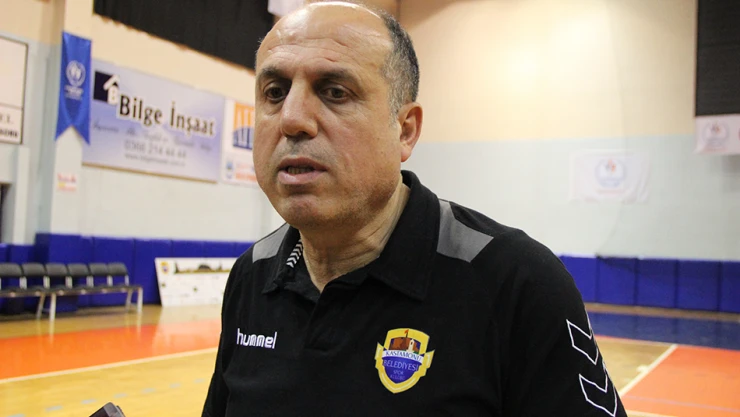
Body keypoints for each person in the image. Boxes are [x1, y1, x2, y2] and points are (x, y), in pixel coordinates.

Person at [203, 1, 627, 416]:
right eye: (274, 93)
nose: (292, 119)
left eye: (334, 92)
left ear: (405, 131)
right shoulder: (252, 274)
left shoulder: (518, 283)